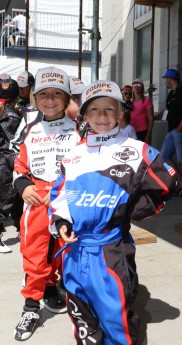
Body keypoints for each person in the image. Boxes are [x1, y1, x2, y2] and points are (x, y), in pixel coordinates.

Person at [48, 80, 177, 345]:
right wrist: (61, 221)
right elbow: (58, 195)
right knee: (82, 320)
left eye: (109, 109)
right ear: (85, 115)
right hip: (73, 253)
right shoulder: (73, 156)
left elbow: (169, 182)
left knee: (116, 321)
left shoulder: (136, 150)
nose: (102, 116)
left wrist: (132, 211)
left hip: (111, 253)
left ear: (120, 113)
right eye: (95, 110)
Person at [13, 66, 82, 341]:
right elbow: (18, 166)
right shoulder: (30, 129)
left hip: (68, 198)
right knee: (35, 255)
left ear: (67, 99)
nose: (50, 99)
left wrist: (61, 192)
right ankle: (31, 308)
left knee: (68, 253)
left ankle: (70, 297)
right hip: (36, 200)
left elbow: (86, 168)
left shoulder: (80, 131)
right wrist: (24, 186)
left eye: (57, 94)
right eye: (44, 94)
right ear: (35, 98)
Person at [0, 78, 24, 253]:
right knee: (2, 200)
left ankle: (21, 231)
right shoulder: (12, 115)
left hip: (4, 160)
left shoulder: (1, 111)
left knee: (17, 200)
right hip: (8, 162)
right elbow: (14, 143)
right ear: (18, 95)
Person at [155, 68, 182, 194]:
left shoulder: (181, 92)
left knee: (181, 159)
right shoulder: (172, 94)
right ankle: (180, 182)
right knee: (164, 156)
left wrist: (179, 128)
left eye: (165, 78)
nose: (164, 81)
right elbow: (166, 110)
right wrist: (154, 117)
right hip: (172, 130)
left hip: (179, 130)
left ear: (170, 79)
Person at [130, 79, 154, 143]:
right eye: (134, 85)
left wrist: (148, 135)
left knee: (144, 152)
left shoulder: (147, 101)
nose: (136, 86)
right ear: (132, 87)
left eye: (138, 85)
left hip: (143, 131)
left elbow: (151, 119)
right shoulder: (129, 102)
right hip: (131, 131)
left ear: (142, 87)